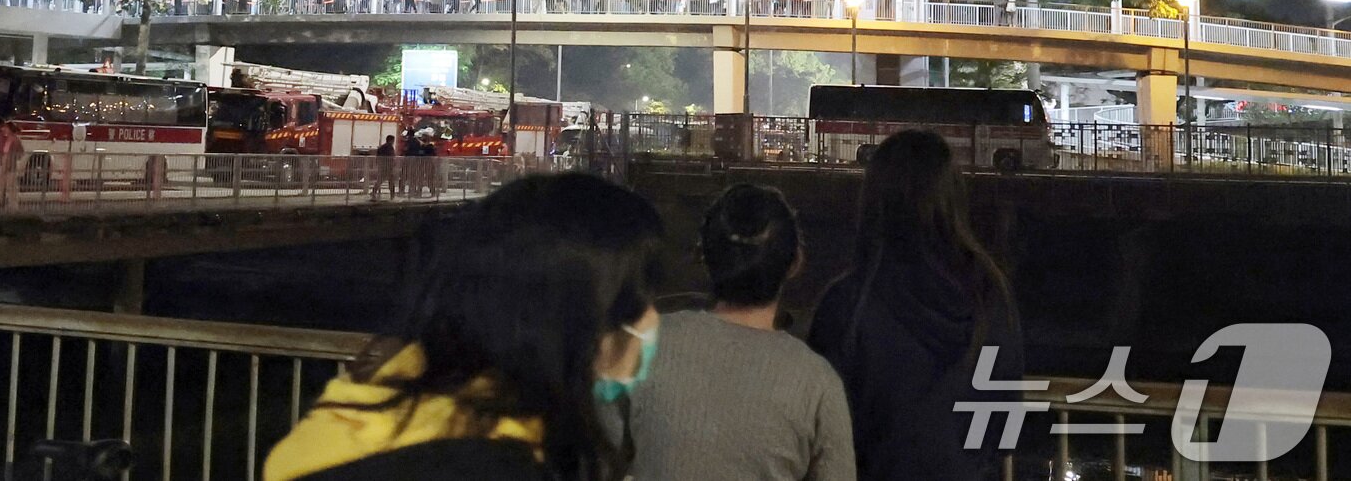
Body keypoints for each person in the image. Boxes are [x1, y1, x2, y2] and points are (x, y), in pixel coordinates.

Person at [264, 172, 665, 481]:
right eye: (641, 299)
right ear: (577, 318)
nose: (652, 319)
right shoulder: (493, 464)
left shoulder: (371, 409)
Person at [808, 129, 1023, 481]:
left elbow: (821, 428)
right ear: (953, 198)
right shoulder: (990, 296)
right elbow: (1004, 424)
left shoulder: (847, 302)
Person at [629, 184, 854, 481]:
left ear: (704, 255)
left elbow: (600, 454)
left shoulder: (646, 344)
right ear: (795, 263)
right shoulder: (817, 382)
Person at [369, 134, 397, 202]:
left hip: (382, 166)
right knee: (391, 182)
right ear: (391, 140)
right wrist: (393, 163)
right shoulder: (390, 147)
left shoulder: (381, 147)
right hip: (388, 167)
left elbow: (378, 157)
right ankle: (392, 196)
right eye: (393, 140)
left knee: (380, 180)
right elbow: (391, 156)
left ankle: (373, 192)